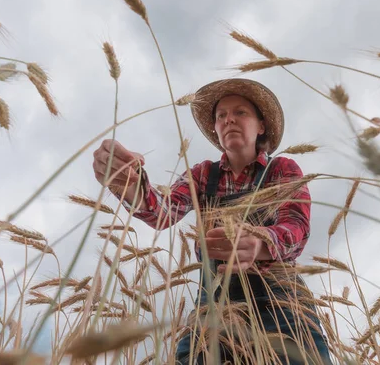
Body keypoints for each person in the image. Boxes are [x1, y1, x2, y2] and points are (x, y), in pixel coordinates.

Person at [92, 78, 333, 364]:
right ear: (216, 129)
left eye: (240, 112)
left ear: (261, 126)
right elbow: (162, 211)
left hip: (281, 303)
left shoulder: (282, 168)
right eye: (221, 116)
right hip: (216, 303)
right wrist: (130, 183)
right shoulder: (203, 175)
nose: (229, 119)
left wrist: (258, 242)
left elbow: (297, 226)